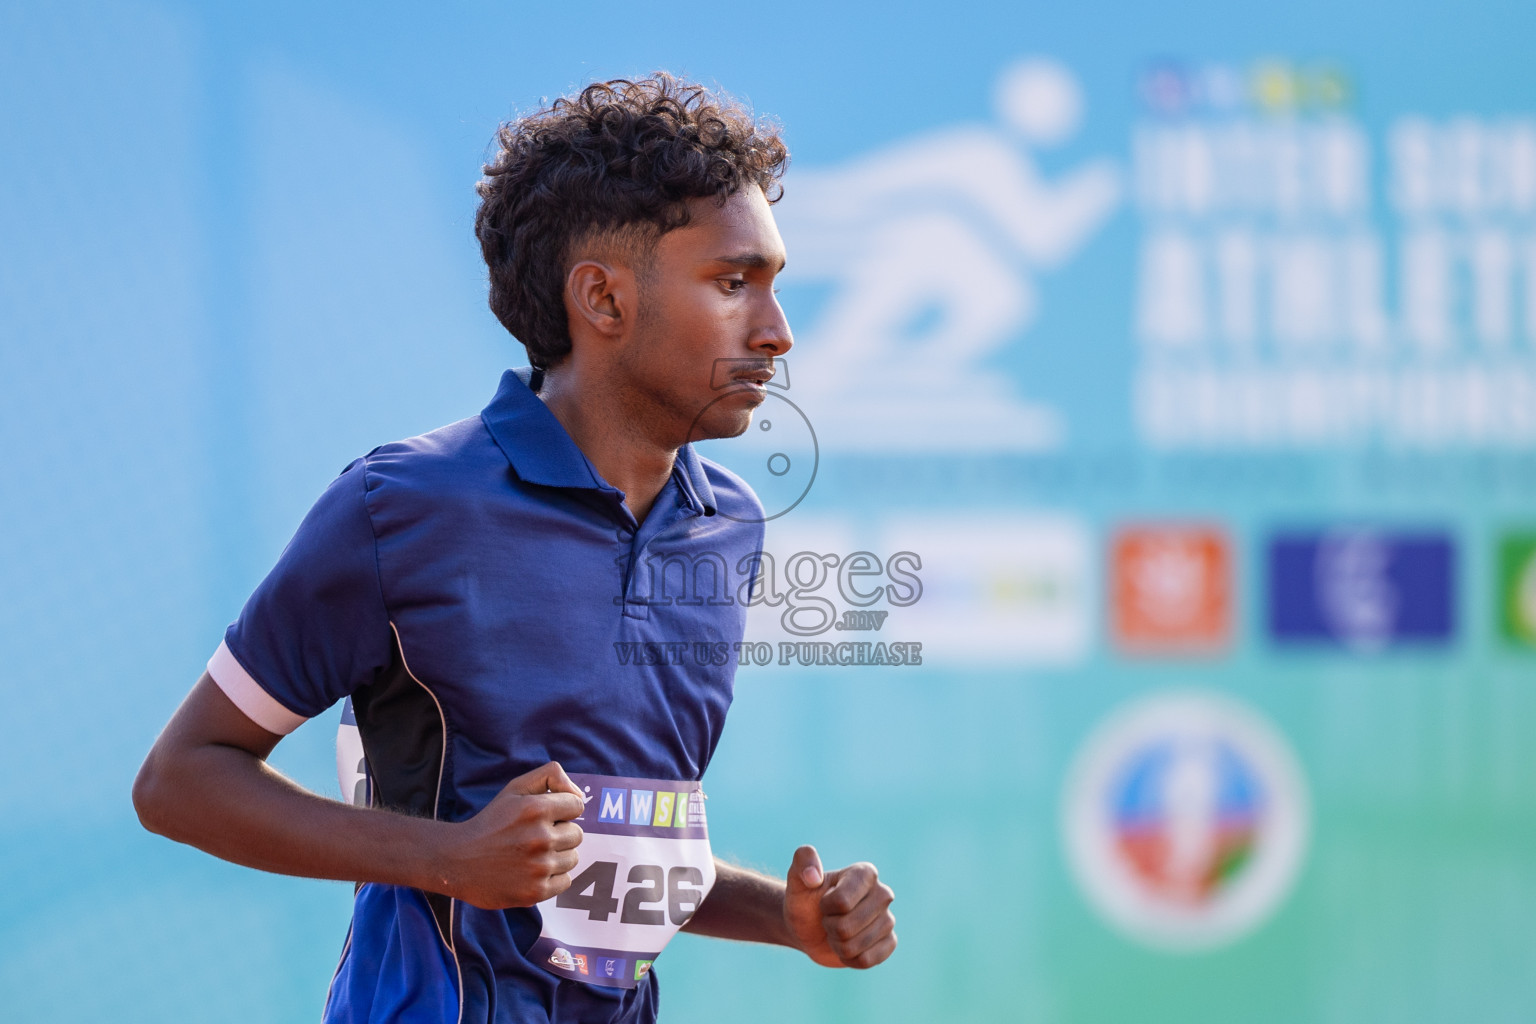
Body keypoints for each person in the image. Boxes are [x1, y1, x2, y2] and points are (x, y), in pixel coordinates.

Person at [132, 74, 897, 1023]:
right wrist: (448, 859)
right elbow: (182, 779)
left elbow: (614, 857)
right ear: (603, 300)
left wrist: (784, 920)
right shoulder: (404, 506)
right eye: (734, 283)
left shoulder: (727, 526)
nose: (777, 334)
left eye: (775, 287)